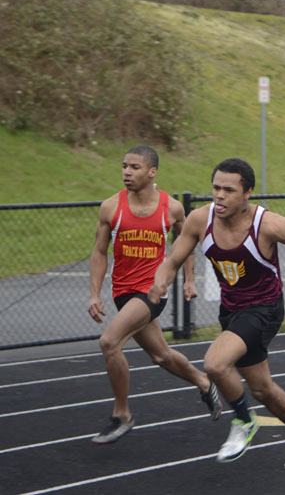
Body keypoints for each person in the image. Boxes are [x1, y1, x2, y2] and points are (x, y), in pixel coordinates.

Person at [149, 158, 285, 470]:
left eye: (229, 190)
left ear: (247, 193)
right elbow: (173, 259)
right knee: (262, 388)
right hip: (232, 310)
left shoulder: (267, 224)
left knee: (216, 363)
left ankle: (245, 421)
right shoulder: (200, 219)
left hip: (264, 309)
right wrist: (161, 281)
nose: (220, 196)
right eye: (216, 188)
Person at [88, 145, 223, 444]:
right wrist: (94, 294)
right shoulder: (111, 207)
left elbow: (185, 244)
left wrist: (189, 280)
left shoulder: (171, 208)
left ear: (152, 172)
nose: (126, 172)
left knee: (110, 342)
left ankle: (121, 414)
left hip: (153, 290)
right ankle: (203, 382)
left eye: (134, 167)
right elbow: (99, 252)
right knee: (160, 355)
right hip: (123, 292)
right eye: (124, 165)